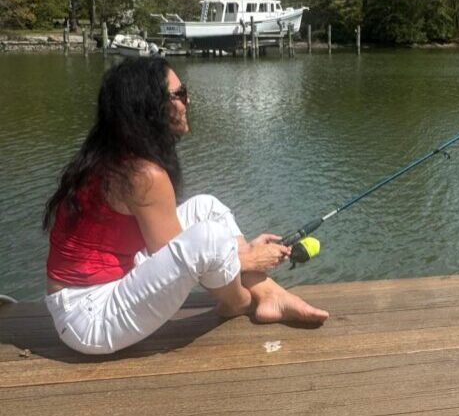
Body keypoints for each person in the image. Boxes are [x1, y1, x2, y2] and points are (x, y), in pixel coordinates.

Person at [43, 57, 328, 355]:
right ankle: (240, 302)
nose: (187, 100)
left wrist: (240, 256)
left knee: (207, 207)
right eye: (179, 94)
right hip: (89, 319)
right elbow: (190, 260)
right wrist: (250, 258)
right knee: (209, 238)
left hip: (101, 289)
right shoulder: (142, 175)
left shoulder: (115, 155)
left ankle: (268, 295)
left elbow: (177, 255)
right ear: (150, 106)